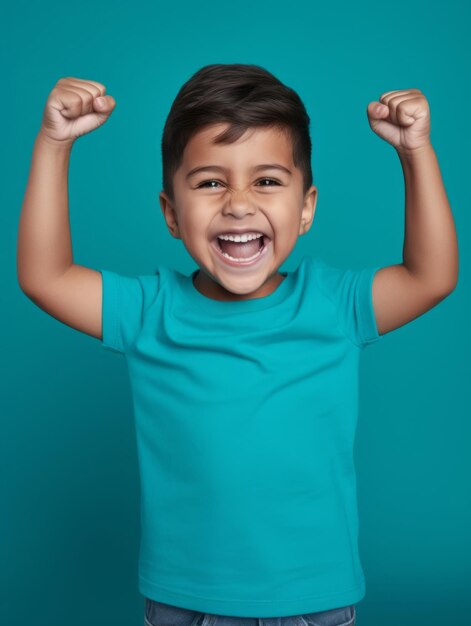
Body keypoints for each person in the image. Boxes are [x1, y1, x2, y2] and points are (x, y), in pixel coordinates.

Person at [16, 64, 458, 626]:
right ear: (172, 213)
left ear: (307, 207)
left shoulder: (335, 305)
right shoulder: (149, 311)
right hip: (182, 602)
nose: (239, 203)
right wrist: (55, 143)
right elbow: (44, 276)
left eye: (268, 180)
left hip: (314, 601)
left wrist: (414, 152)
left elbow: (432, 275)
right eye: (210, 182)